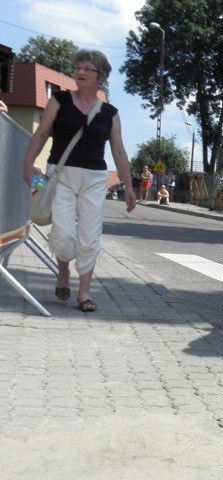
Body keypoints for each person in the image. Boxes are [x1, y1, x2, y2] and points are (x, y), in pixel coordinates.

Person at [22, 49, 136, 313]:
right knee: (63, 234)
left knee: (89, 237)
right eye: (78, 67)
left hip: (94, 179)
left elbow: (119, 152)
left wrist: (128, 186)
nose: (80, 72)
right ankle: (63, 272)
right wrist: (28, 163)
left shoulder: (110, 113)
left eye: (88, 68)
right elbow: (40, 135)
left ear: (101, 77)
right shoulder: (59, 100)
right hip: (59, 175)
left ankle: (84, 292)